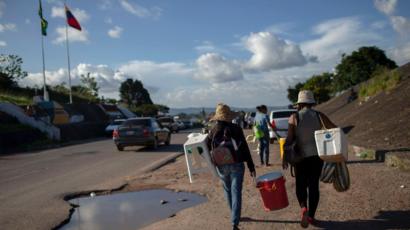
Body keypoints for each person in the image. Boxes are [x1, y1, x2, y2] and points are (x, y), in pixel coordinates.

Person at [283, 90, 336, 228]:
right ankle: (311, 216)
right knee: (313, 185)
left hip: (300, 157)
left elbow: (289, 139)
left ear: (299, 103)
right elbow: (334, 128)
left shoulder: (294, 117)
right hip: (316, 156)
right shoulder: (319, 115)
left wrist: (285, 157)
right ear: (312, 103)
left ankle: (303, 208)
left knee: (300, 184)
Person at [207, 103, 256, 230]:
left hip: (221, 166)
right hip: (237, 163)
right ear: (229, 116)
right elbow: (244, 147)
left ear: (217, 117)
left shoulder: (213, 130)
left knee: (228, 190)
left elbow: (206, 148)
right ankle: (234, 222)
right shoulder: (236, 128)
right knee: (236, 192)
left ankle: (233, 214)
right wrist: (251, 166)